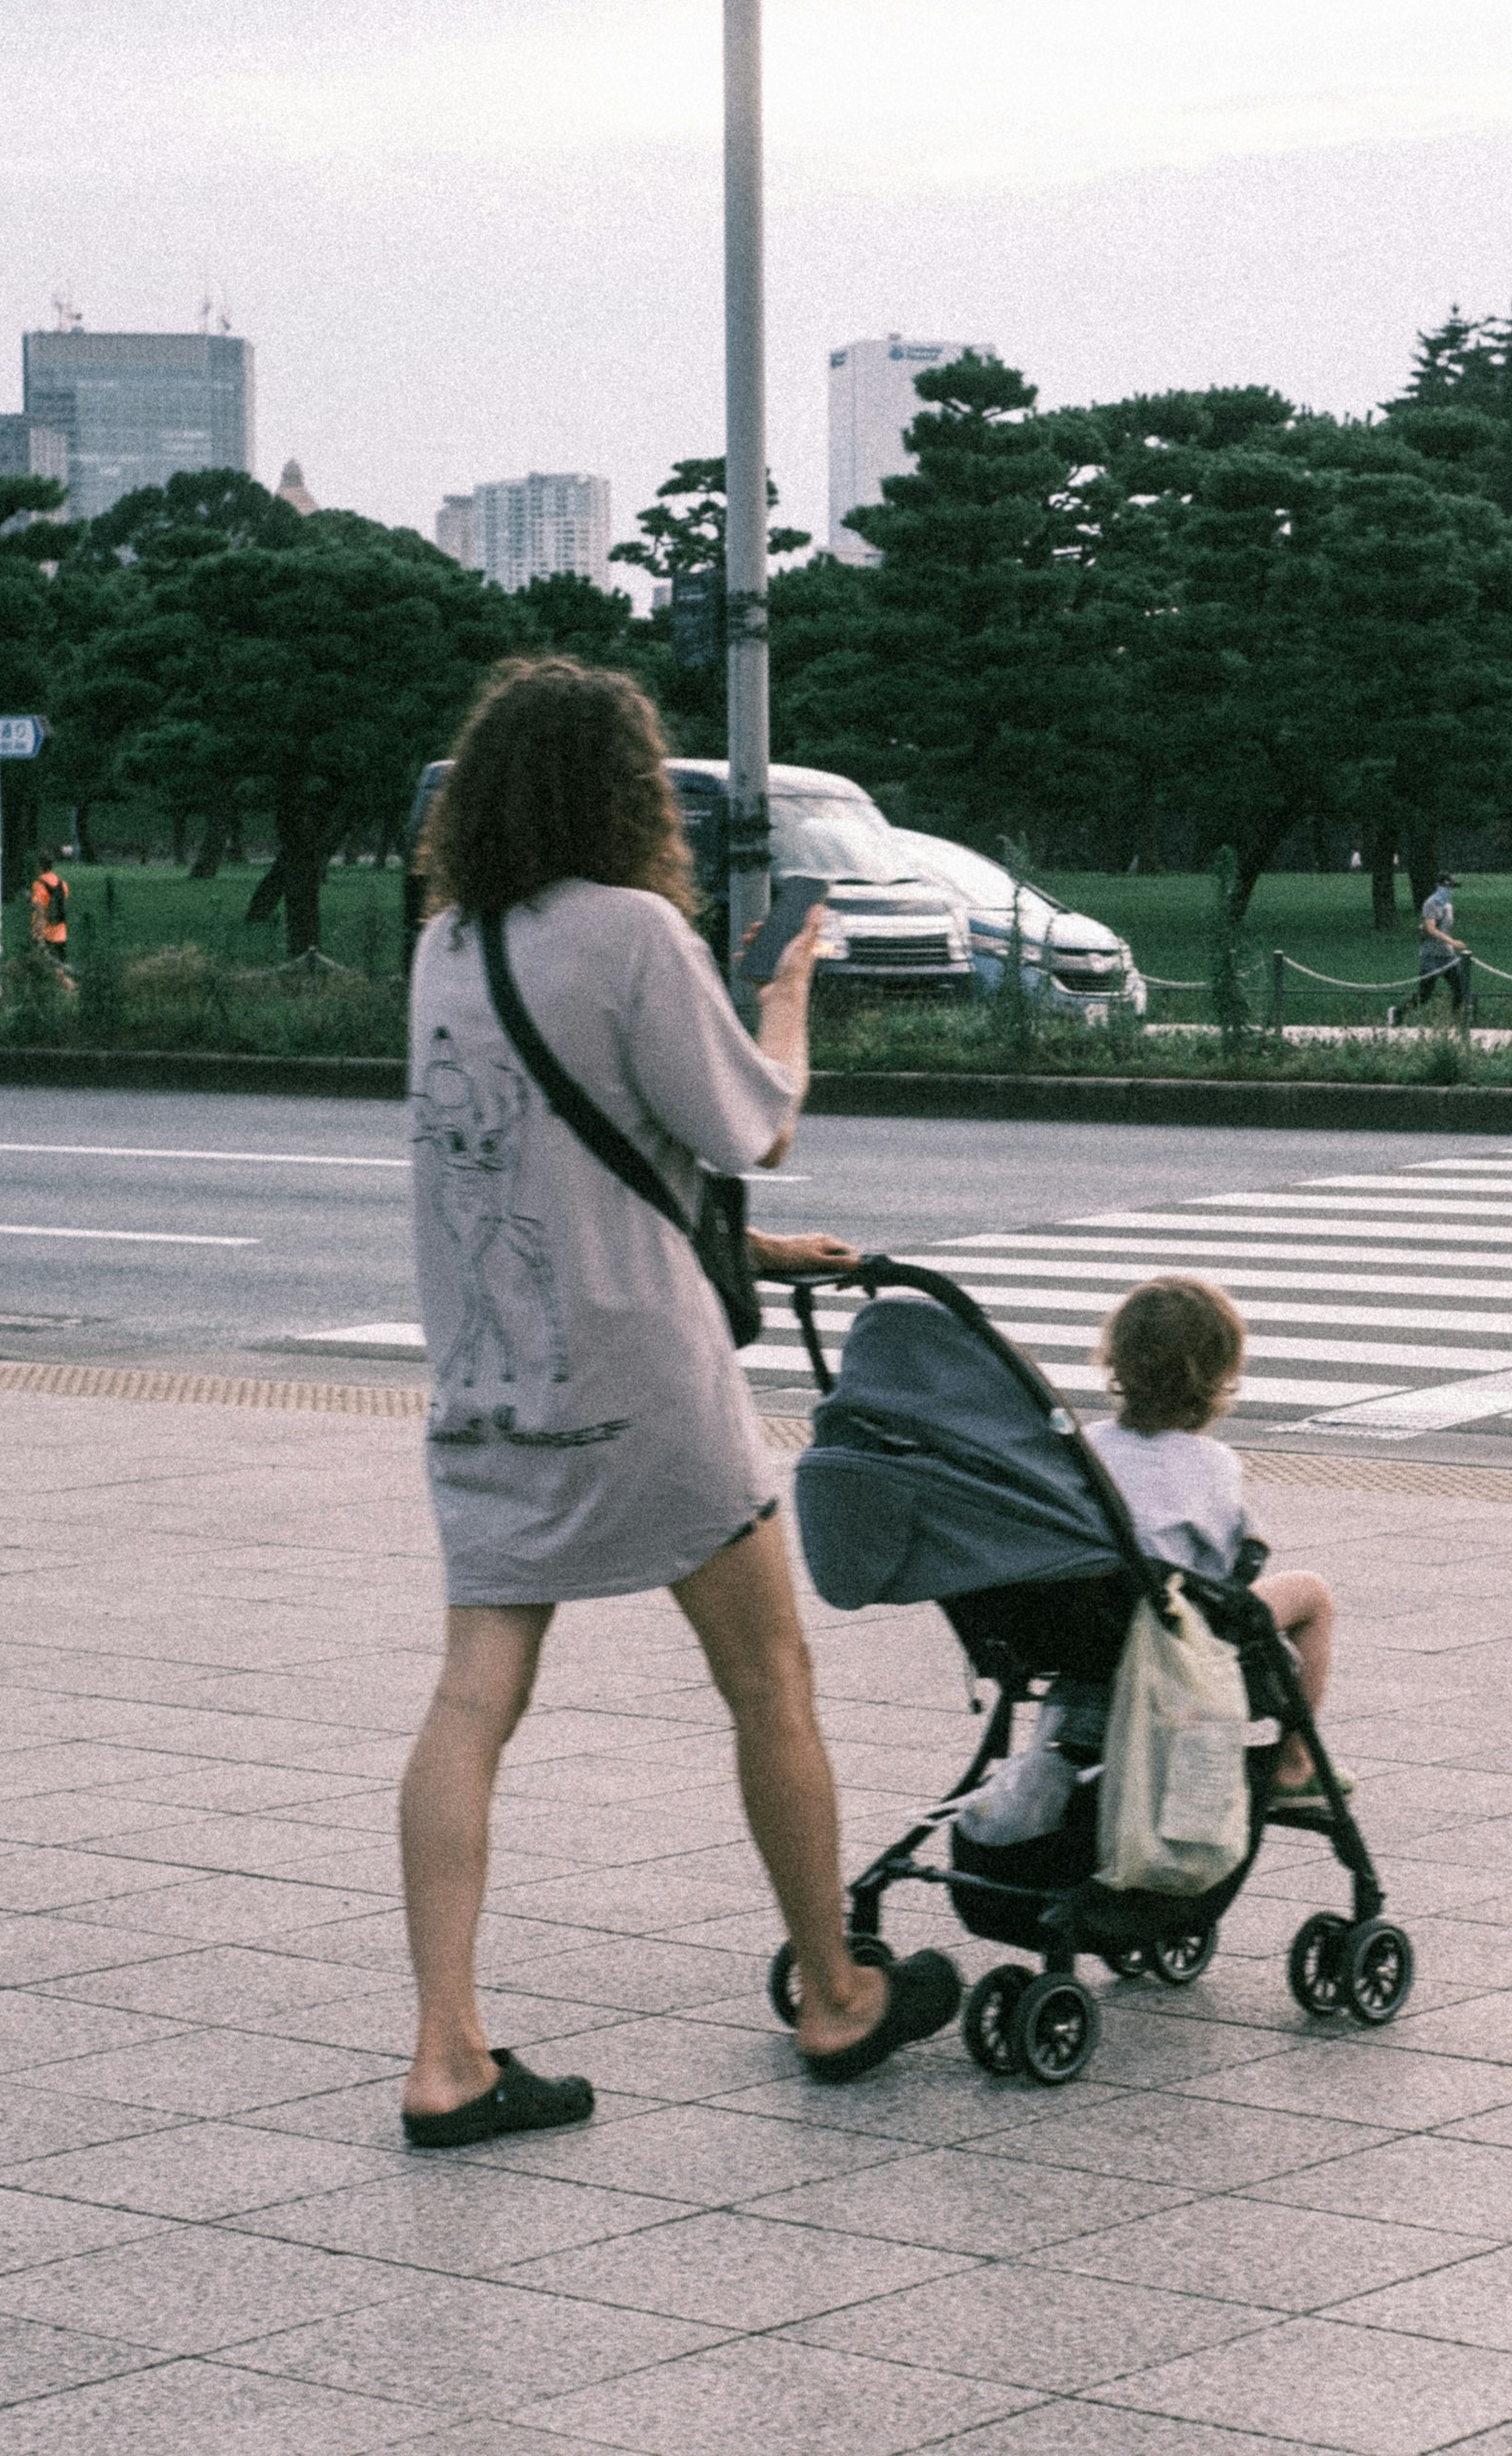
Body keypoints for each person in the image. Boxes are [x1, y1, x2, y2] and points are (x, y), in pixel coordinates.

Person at [393, 656, 958, 2147]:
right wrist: (785, 997)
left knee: (472, 1699)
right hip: (642, 1387)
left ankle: (446, 2051)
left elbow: (541, 1162)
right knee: (768, 1676)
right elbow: (752, 1124)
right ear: (625, 794)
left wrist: (747, 1251)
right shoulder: (635, 933)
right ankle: (837, 1991)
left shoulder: (448, 944)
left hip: (489, 1383)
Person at [1085, 1276, 1347, 1813]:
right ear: (1219, 1377)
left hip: (1084, 1622)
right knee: (1311, 1593)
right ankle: (1294, 1763)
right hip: (1172, 1627)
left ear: (1116, 1362)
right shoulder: (1210, 1464)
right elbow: (1225, 1570)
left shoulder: (1086, 1446)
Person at [1394, 873, 1471, 1027]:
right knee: (1424, 995)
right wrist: (1453, 942)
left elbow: (1443, 928)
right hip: (1431, 955)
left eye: (1452, 887)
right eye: (1447, 887)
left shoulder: (1448, 906)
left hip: (1447, 955)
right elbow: (1431, 929)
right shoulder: (1431, 903)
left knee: (1459, 989)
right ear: (1439, 886)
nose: (1449, 890)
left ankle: (1456, 1023)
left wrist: (1450, 945)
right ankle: (1397, 1014)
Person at [28, 861, 71, 968]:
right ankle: (73, 984)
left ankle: (73, 985)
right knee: (60, 969)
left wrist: (39, 937)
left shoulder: (39, 884)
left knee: (45, 971)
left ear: (39, 866)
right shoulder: (62, 884)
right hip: (61, 933)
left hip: (46, 934)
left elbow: (40, 911)